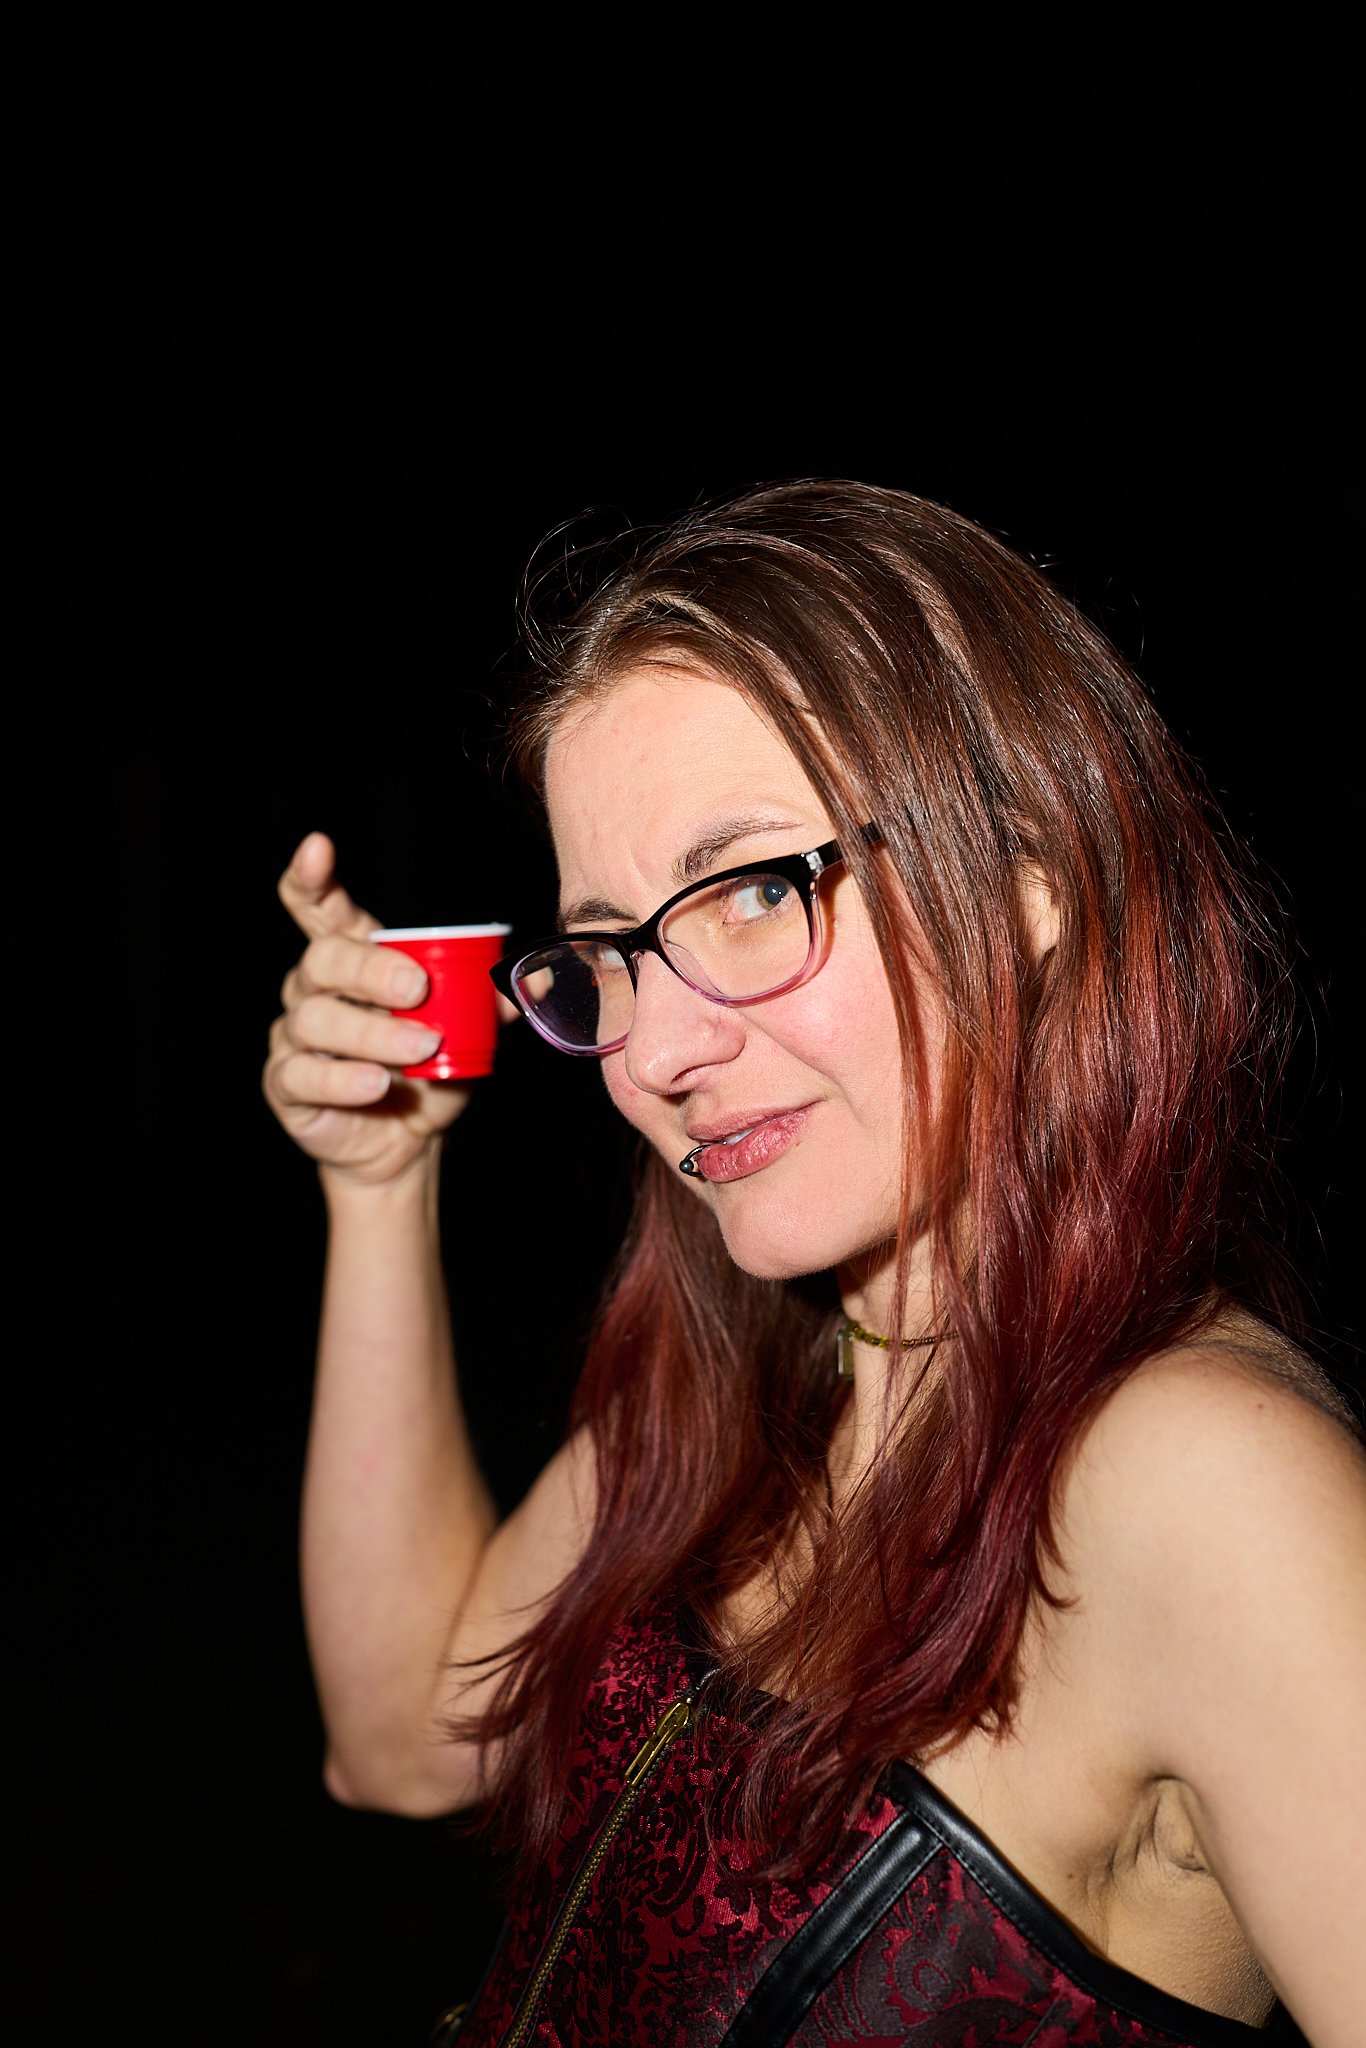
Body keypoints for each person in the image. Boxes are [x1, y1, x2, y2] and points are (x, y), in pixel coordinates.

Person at [263, 482, 1364, 2046]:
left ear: (1030, 885)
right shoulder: (789, 1367)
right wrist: (379, 1183)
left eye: (751, 893)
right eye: (612, 951)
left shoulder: (1209, 1487)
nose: (658, 1049)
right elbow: (401, 1739)